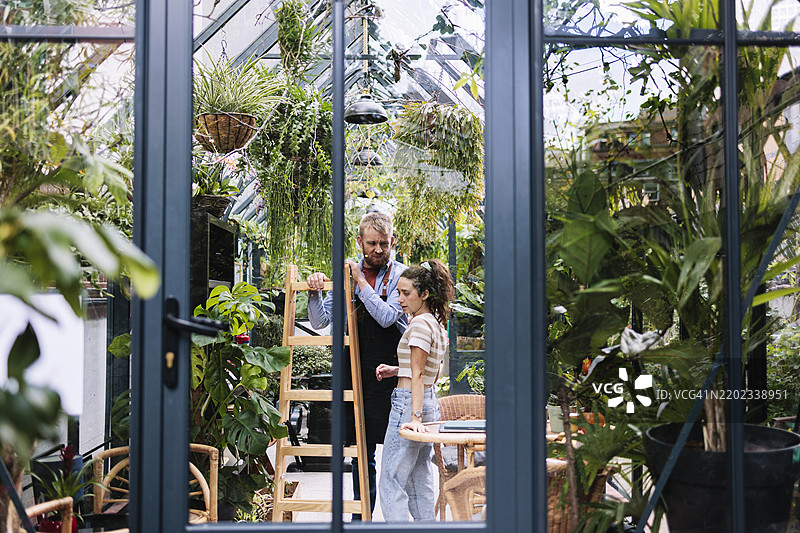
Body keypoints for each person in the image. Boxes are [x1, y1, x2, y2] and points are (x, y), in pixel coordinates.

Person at [306, 211, 408, 519]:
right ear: (359, 242)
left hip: (391, 371)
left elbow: (388, 317)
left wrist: (359, 281)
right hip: (354, 368)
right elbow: (322, 322)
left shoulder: (401, 275)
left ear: (392, 241)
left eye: (383, 243)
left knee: (398, 449)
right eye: (372, 243)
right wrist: (314, 292)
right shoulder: (344, 275)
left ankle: (398, 519)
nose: (378, 249)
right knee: (361, 451)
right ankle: (360, 518)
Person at [377, 258, 454, 522]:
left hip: (410, 405)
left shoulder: (419, 324)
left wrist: (415, 417)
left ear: (425, 294)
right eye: (398, 292)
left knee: (391, 479)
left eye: (406, 293)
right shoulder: (434, 323)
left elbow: (419, 373)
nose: (400, 299)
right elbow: (431, 369)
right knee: (418, 476)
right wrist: (397, 370)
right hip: (428, 401)